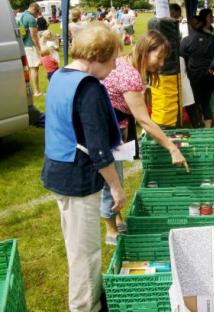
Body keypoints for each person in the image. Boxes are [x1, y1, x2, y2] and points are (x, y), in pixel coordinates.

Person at [41, 23, 126, 312]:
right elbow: (98, 149)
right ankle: (84, 307)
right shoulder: (88, 88)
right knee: (85, 253)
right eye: (113, 59)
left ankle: (90, 300)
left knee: (77, 246)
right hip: (77, 179)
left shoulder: (59, 76)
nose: (115, 67)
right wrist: (116, 187)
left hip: (58, 171)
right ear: (97, 55)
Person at [101, 30, 189, 244]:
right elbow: (144, 120)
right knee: (111, 179)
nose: (160, 64)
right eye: (158, 57)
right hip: (103, 128)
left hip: (117, 125)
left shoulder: (128, 63)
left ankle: (118, 217)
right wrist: (172, 148)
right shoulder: (130, 76)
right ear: (145, 50)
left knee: (117, 173)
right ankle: (110, 229)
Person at [180, 16, 214, 128]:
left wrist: (188, 65)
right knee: (206, 101)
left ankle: (198, 125)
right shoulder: (211, 38)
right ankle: (207, 127)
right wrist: (213, 65)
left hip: (194, 75)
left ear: (190, 26)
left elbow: (182, 57)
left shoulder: (186, 40)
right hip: (208, 74)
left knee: (195, 101)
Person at [20, 2, 42, 96]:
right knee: (34, 68)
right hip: (30, 46)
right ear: (34, 9)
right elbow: (34, 36)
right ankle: (36, 91)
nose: (37, 15)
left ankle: (28, 90)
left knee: (27, 69)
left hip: (24, 45)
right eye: (37, 13)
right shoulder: (31, 18)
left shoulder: (22, 15)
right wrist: (38, 49)